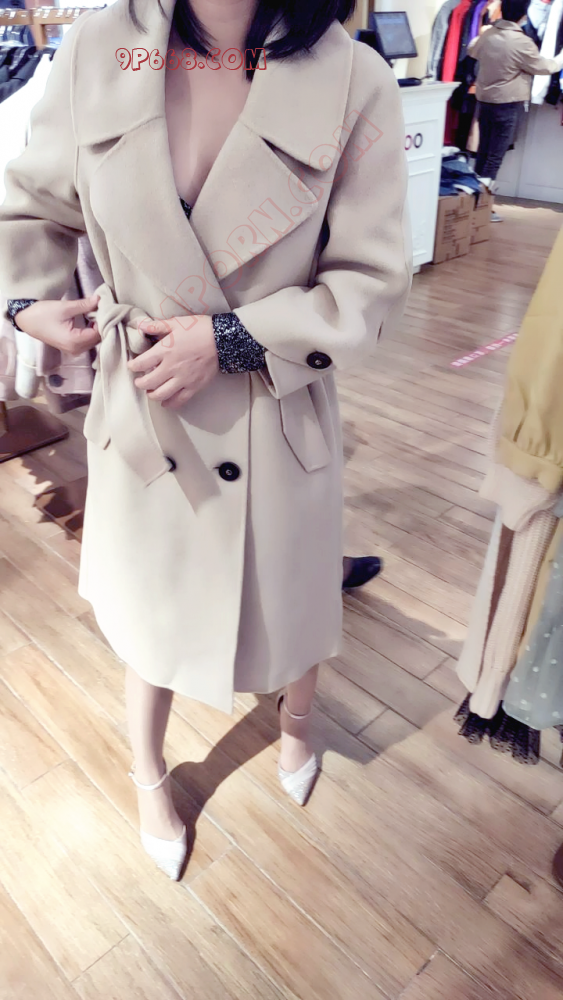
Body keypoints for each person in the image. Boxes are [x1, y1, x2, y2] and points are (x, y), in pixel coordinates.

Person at [0, 0, 411, 880]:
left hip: (276, 406)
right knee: (150, 611)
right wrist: (26, 301)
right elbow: (28, 207)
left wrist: (231, 339)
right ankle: (149, 772)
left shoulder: (353, 77)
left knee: (293, 599)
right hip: (144, 408)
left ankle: (296, 724)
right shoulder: (101, 49)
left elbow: (370, 281)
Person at [469, 0, 563, 220]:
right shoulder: (521, 41)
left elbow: (472, 49)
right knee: (495, 156)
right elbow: (544, 67)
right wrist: (561, 58)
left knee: (483, 152)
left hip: (485, 101)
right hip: (507, 103)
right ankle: (482, 208)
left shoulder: (488, 34)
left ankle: (473, 202)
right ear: (524, 14)